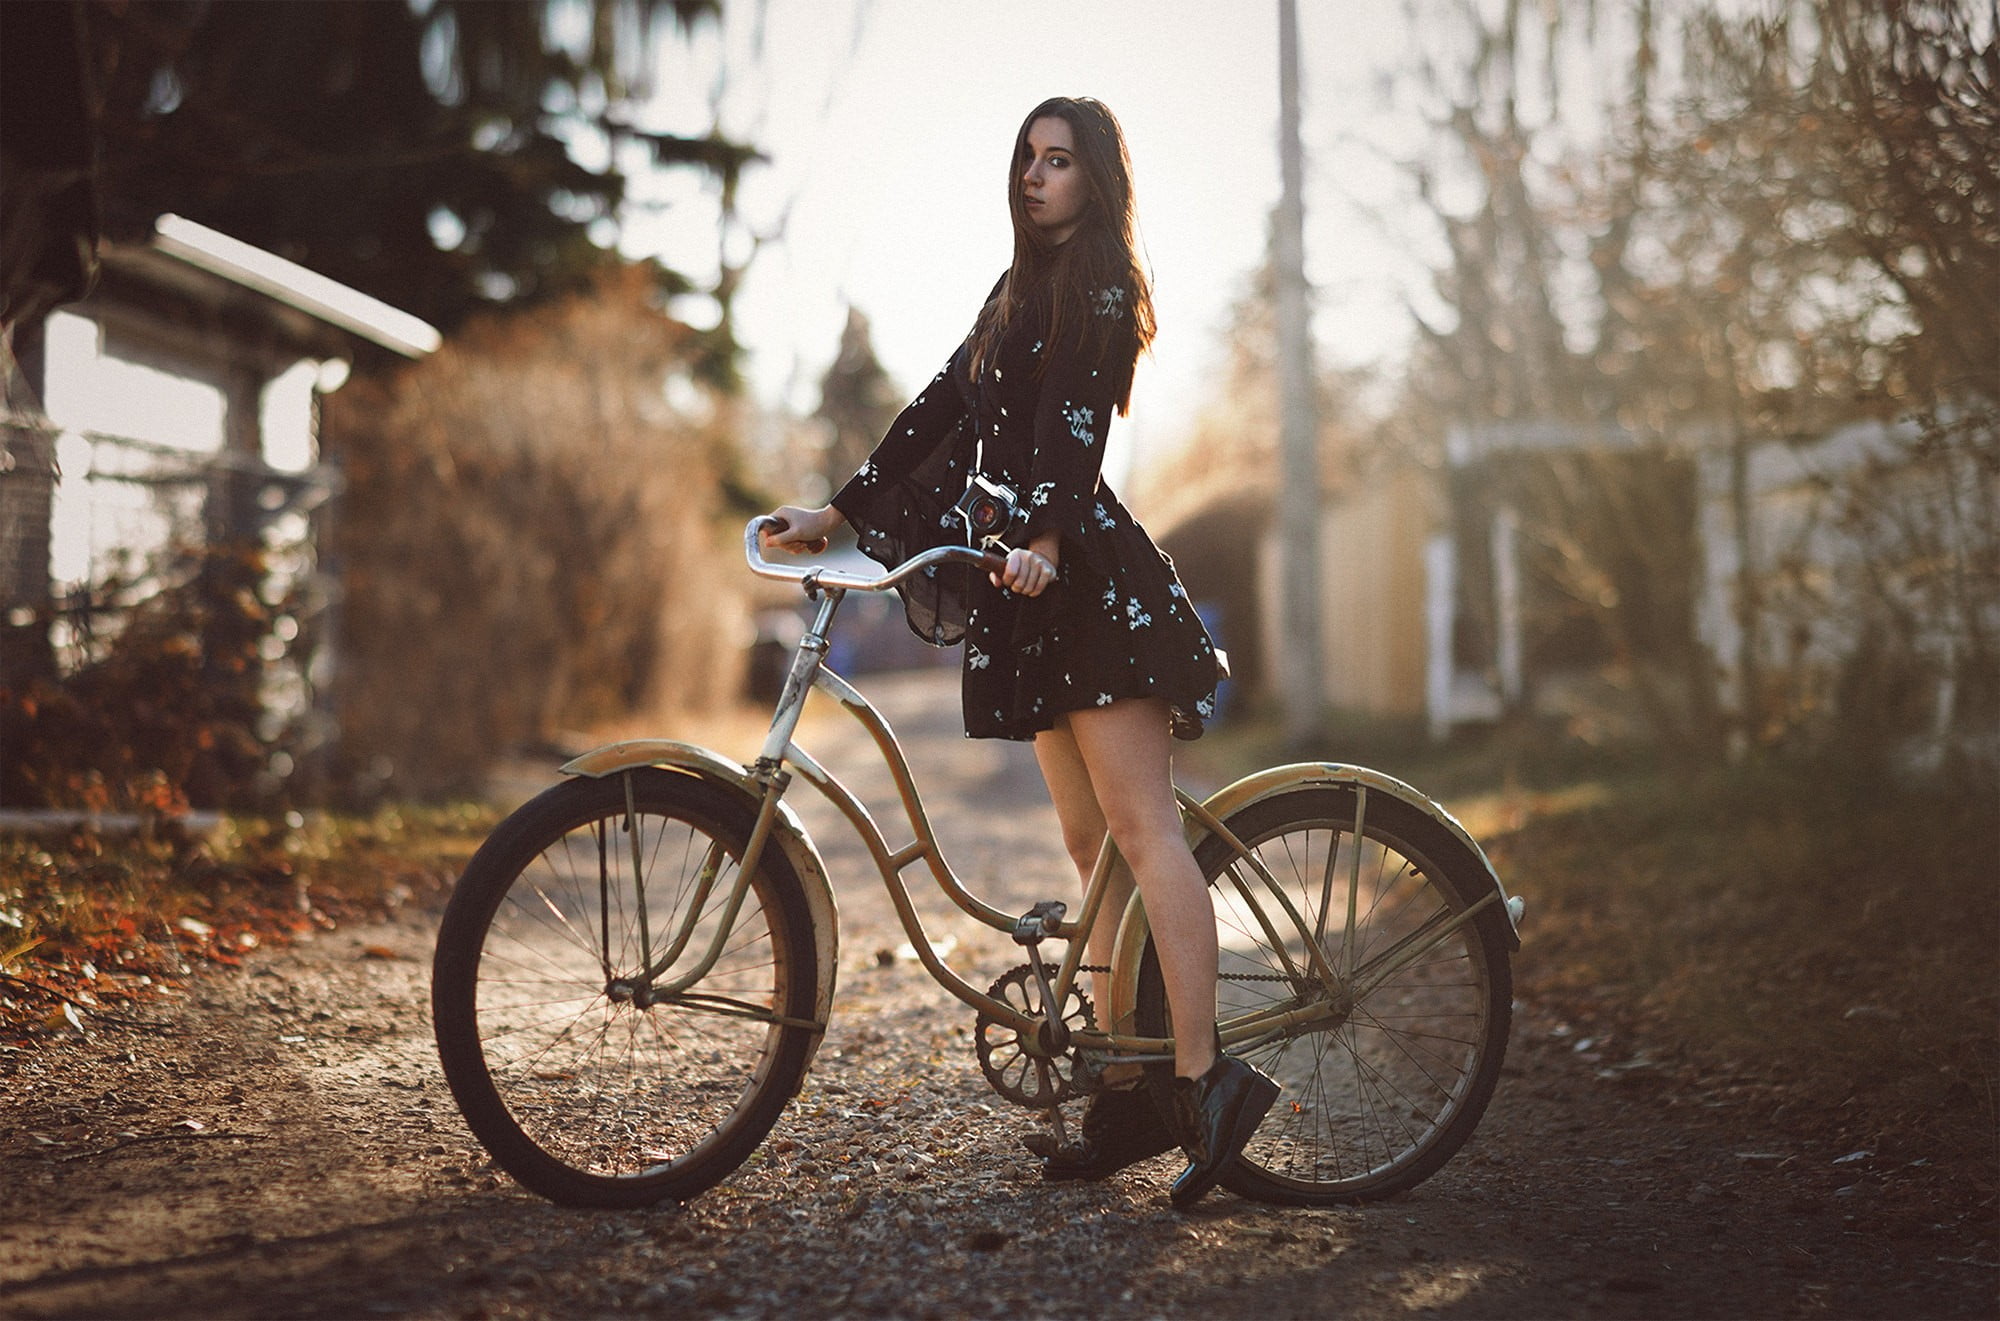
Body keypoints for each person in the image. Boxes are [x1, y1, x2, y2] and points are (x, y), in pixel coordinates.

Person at [763, 96, 1275, 1209]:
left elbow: (1073, 426)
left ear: (1095, 179)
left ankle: (1206, 1076)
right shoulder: (1014, 291)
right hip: (1028, 588)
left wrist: (1040, 537)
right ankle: (1128, 1092)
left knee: (1143, 831)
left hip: (1083, 582)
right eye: (1027, 159)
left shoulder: (1100, 284)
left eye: (1058, 160)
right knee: (1091, 847)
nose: (1036, 176)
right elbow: (939, 408)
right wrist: (838, 512)